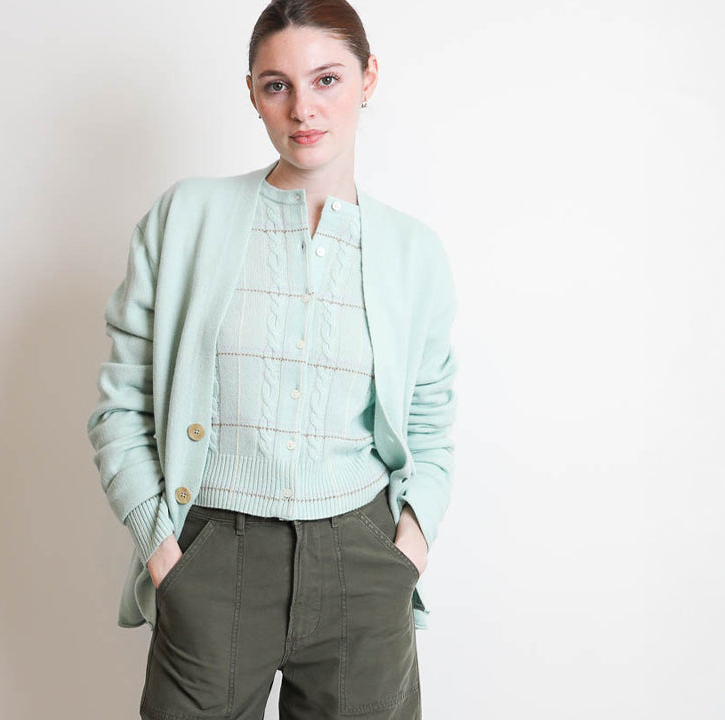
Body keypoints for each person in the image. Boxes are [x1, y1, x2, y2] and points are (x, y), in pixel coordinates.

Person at [83, 1, 459, 718]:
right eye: (277, 85)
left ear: (368, 78)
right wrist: (164, 550)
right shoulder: (186, 218)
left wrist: (407, 548)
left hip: (362, 559)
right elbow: (121, 405)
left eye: (327, 79)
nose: (303, 109)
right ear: (253, 93)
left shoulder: (415, 254)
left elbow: (431, 421)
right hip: (213, 555)